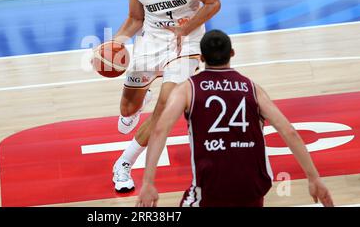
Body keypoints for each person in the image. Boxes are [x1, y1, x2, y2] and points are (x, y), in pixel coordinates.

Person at [136, 29, 334, 207]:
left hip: (211, 187)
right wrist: (313, 178)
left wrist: (148, 182)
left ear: (202, 58)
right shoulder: (252, 88)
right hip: (252, 187)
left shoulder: (187, 89)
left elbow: (160, 129)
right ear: (232, 53)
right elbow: (289, 132)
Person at [110, 0, 221, 192]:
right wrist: (113, 46)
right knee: (127, 112)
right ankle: (140, 97)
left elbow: (213, 2)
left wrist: (188, 28)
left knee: (165, 106)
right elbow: (135, 18)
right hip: (153, 39)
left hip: (188, 41)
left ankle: (124, 163)